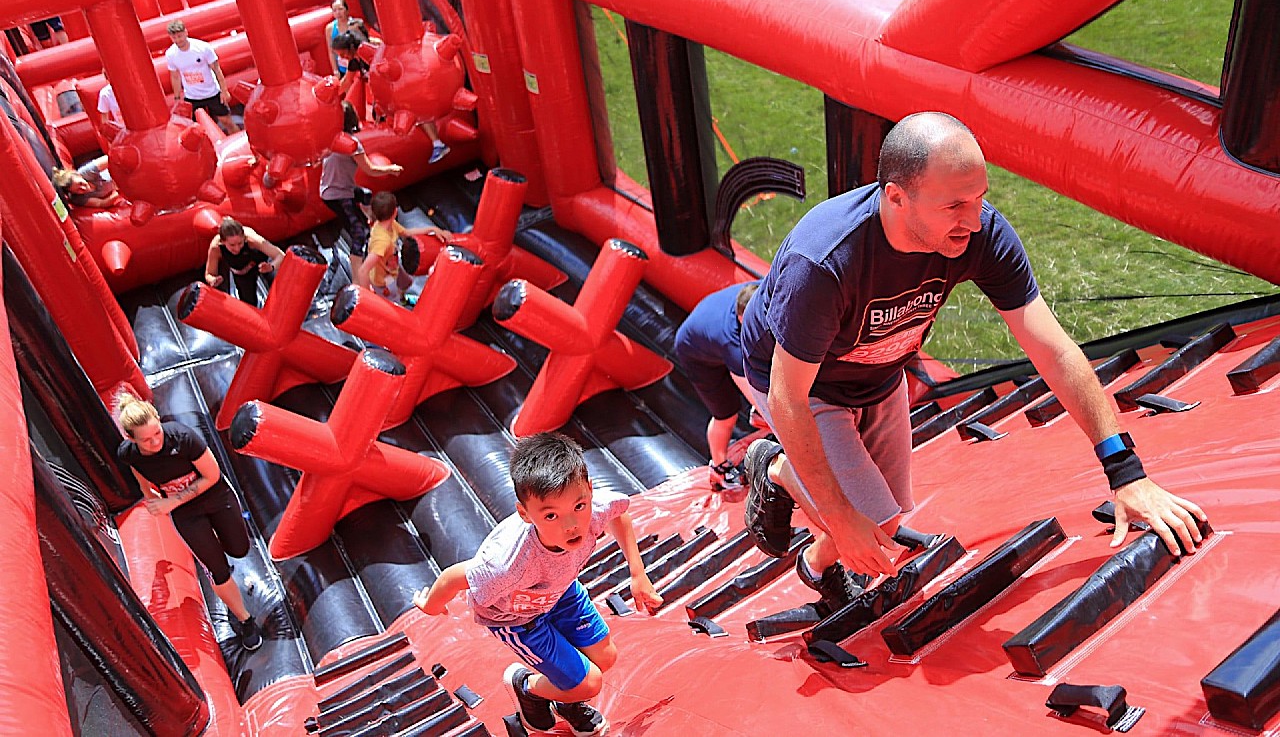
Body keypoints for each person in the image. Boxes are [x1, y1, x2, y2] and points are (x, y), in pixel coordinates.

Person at [740, 111, 1208, 613]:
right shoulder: (824, 263)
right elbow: (787, 398)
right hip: (805, 384)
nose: (976, 218)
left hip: (879, 369)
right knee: (869, 524)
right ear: (895, 197)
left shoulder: (980, 233)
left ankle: (816, 565)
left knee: (888, 518)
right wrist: (837, 513)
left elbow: (1051, 347)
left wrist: (1126, 470)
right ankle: (776, 469)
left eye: (981, 196)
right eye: (956, 204)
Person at [414, 432, 661, 736]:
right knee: (590, 681)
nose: (570, 525)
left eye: (579, 507)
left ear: (590, 492)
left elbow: (618, 516)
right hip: (516, 617)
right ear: (525, 514)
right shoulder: (508, 564)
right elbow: (456, 577)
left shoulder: (593, 508)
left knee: (605, 657)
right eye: (551, 515)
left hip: (561, 591)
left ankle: (568, 700)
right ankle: (526, 687)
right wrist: (430, 606)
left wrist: (638, 573)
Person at [115, 393, 262, 650]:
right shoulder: (129, 453)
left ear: (160, 421)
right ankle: (244, 619)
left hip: (215, 494)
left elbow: (212, 475)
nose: (155, 442)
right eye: (146, 440)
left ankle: (227, 565)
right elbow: (141, 476)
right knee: (217, 569)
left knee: (239, 548)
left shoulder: (183, 438)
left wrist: (172, 501)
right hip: (187, 514)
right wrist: (152, 500)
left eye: (157, 433)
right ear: (131, 439)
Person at [673, 281, 761, 493]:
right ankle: (719, 467)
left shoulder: (765, 290)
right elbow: (758, 396)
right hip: (696, 354)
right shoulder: (732, 344)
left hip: (709, 325)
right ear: (741, 319)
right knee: (726, 414)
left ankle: (757, 415)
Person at [322, 102, 404, 276]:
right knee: (358, 233)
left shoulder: (329, 138)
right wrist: (391, 169)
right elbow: (370, 169)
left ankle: (371, 224)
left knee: (366, 195)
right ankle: (358, 277)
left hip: (331, 190)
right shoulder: (351, 144)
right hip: (338, 195)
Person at [356, 190, 450, 304]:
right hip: (384, 280)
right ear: (395, 212)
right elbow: (363, 270)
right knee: (393, 299)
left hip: (393, 267)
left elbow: (408, 232)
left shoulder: (389, 224)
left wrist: (432, 229)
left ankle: (402, 298)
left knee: (406, 282)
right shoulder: (382, 242)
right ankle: (399, 304)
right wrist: (369, 299)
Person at [165, 19, 238, 135]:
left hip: (212, 92)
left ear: (185, 33)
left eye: (180, 36)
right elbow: (175, 76)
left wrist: (224, 91)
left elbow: (216, 69)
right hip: (192, 96)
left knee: (227, 121)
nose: (178, 40)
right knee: (197, 130)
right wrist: (177, 98)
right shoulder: (171, 54)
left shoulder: (202, 48)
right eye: (174, 38)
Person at [204, 216, 284, 307]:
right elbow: (209, 274)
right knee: (249, 304)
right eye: (232, 245)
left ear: (244, 238)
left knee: (279, 290)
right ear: (223, 242)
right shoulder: (216, 247)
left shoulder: (251, 239)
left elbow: (280, 255)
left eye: (240, 243)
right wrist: (213, 280)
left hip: (264, 264)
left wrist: (271, 266)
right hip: (242, 272)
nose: (237, 248)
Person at [326, 0, 370, 77]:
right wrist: (335, 70)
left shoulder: (355, 25)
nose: (338, 13)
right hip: (343, 68)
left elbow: (365, 42)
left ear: (346, 10)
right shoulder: (330, 28)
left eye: (340, 9)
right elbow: (331, 51)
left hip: (357, 64)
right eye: (335, 10)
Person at [53, 165, 121, 209]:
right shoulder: (79, 199)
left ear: (79, 175)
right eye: (78, 190)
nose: (84, 188)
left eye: (81, 183)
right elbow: (102, 203)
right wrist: (120, 190)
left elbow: (110, 159)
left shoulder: (86, 172)